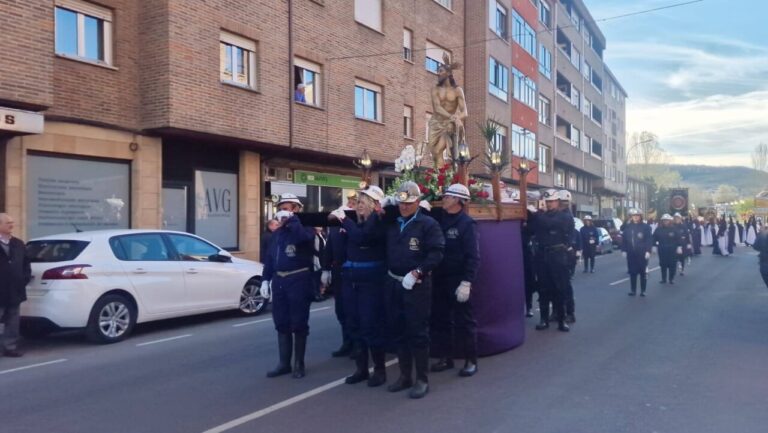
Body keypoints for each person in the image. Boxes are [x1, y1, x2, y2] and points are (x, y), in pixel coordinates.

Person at [385, 181, 445, 399]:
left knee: (417, 332)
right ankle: (404, 376)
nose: (404, 207)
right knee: (399, 331)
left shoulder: (428, 224)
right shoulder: (393, 223)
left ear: (418, 202)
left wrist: (418, 272)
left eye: (409, 203)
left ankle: (422, 379)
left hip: (416, 284)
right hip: (394, 283)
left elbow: (437, 253)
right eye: (401, 203)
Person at [328, 186, 389, 387]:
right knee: (354, 325)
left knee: (371, 326)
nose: (359, 206)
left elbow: (364, 237)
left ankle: (379, 370)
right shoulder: (358, 223)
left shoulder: (378, 222)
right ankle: (361, 369)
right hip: (351, 280)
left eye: (363, 202)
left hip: (370, 282)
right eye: (359, 202)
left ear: (373, 204)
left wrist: (344, 220)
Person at [260, 194, 317, 379]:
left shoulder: (305, 228)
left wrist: (293, 222)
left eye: (288, 208)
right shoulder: (277, 234)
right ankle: (284, 363)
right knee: (281, 322)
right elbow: (269, 259)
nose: (284, 211)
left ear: (296, 209)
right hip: (280, 282)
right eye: (281, 208)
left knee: (299, 323)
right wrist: (265, 279)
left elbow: (304, 240)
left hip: (298, 279)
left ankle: (298, 364)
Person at [430, 184, 480, 377]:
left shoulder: (467, 224)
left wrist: (467, 282)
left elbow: (473, 256)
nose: (444, 199)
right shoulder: (439, 218)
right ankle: (445, 357)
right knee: (441, 320)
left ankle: (470, 360)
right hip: (440, 277)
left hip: (458, 279)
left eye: (449, 197)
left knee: (465, 321)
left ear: (459, 201)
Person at [527, 189, 574, 332]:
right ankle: (544, 319)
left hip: (558, 254)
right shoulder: (540, 216)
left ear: (557, 202)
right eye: (547, 202)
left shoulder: (563, 216)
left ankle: (562, 320)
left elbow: (553, 225)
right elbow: (531, 230)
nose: (549, 204)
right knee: (543, 289)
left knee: (559, 288)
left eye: (552, 201)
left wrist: (536, 214)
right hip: (542, 255)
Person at [427, 53, 468, 168]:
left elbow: (464, 112)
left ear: (448, 73)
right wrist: (451, 117)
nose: (437, 73)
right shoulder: (435, 89)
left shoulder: (457, 91)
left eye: (440, 71)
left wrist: (455, 119)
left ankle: (444, 178)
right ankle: (441, 178)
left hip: (448, 125)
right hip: (435, 123)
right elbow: (437, 107)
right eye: (438, 71)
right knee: (435, 153)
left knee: (439, 149)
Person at [0, 213, 30, 357]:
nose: (11, 225)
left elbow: (26, 264)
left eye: (12, 222)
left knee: (13, 321)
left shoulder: (18, 243)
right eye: (8, 223)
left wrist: (23, 279)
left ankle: (10, 347)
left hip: (15, 290)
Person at [621, 209, 653, 296]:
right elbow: (624, 240)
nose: (635, 217)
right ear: (631, 217)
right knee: (632, 272)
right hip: (631, 254)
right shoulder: (628, 227)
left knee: (643, 272)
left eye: (637, 215)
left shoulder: (645, 227)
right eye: (633, 215)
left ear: (640, 216)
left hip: (642, 254)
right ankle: (633, 290)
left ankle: (643, 290)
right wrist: (623, 250)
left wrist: (648, 251)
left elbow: (649, 240)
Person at [654, 214, 681, 285]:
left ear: (670, 221)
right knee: (663, 264)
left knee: (672, 264)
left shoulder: (674, 229)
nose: (666, 222)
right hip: (662, 249)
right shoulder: (658, 229)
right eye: (664, 221)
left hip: (672, 249)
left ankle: (671, 279)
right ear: (662, 221)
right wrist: (654, 246)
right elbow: (654, 238)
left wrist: (679, 247)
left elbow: (678, 238)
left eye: (667, 220)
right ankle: (663, 279)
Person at [521, 219, 538, 318]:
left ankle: (529, 307)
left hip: (530, 264)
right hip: (521, 261)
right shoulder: (520, 232)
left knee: (529, 286)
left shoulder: (532, 235)